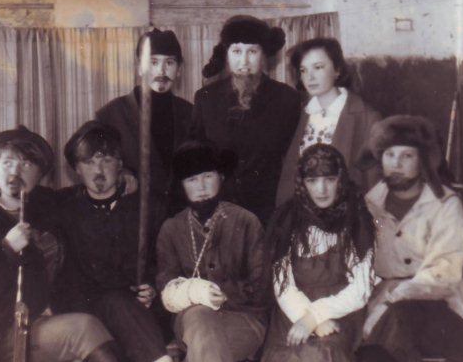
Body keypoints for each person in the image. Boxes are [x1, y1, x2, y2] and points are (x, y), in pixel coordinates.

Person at [0, 126, 191, 362]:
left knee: (90, 358)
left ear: (40, 176)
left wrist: (124, 177)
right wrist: (5, 249)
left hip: (37, 330)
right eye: (7, 162)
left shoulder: (42, 206)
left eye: (27, 164)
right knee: (84, 329)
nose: (16, 172)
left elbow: (86, 193)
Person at [327, 115, 463, 362]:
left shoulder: (444, 204)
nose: (396, 164)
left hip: (445, 315)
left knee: (399, 319)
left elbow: (444, 273)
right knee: (399, 353)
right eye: (389, 155)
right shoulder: (371, 204)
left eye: (406, 155)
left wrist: (392, 299)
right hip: (390, 322)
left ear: (422, 161)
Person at [52, 121, 206, 362]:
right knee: (115, 303)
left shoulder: (145, 208)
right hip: (85, 311)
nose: (99, 171)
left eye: (107, 160)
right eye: (89, 162)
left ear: (121, 165)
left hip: (138, 313)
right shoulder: (63, 209)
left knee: (124, 311)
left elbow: (162, 264)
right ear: (76, 169)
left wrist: (152, 287)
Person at [255, 144, 377, 362]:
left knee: (321, 354)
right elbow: (283, 285)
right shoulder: (288, 220)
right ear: (302, 183)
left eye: (329, 179)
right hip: (293, 313)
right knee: (296, 357)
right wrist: (305, 318)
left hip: (340, 313)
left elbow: (360, 290)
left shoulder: (356, 218)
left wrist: (316, 317)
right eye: (312, 181)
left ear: (340, 180)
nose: (321, 189)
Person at [156, 140, 271, 362]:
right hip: (190, 325)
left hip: (244, 321)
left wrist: (220, 294)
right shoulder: (171, 229)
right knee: (198, 316)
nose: (202, 186)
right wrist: (194, 294)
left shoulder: (247, 222)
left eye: (207, 176)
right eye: (192, 179)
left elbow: (261, 288)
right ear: (181, 186)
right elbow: (165, 286)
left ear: (220, 177)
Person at [190, 15, 301, 224]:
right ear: (227, 55)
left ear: (264, 56)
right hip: (219, 210)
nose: (244, 61)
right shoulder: (206, 98)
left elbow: (294, 160)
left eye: (252, 51)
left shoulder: (287, 99)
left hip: (270, 211)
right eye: (237, 51)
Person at [275, 37, 381, 206]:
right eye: (303, 70)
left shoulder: (367, 118)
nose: (309, 77)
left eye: (318, 67)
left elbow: (376, 187)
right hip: (302, 214)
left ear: (337, 70)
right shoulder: (301, 114)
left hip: (348, 214)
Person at [96, 28, 192, 214]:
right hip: (131, 217)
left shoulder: (190, 112)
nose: (161, 71)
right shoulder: (110, 114)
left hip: (179, 217)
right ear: (139, 67)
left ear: (179, 69)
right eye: (153, 62)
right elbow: (98, 168)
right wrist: (121, 172)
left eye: (169, 62)